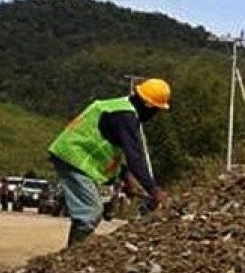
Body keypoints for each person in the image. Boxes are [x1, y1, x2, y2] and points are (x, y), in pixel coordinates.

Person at [47, 79, 170, 246]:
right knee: (90, 211)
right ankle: (74, 252)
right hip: (73, 157)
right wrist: (153, 190)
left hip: (76, 156)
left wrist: (125, 177)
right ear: (149, 106)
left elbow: (109, 148)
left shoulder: (121, 110)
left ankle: (76, 249)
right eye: (156, 110)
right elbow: (135, 158)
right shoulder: (125, 116)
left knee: (89, 212)